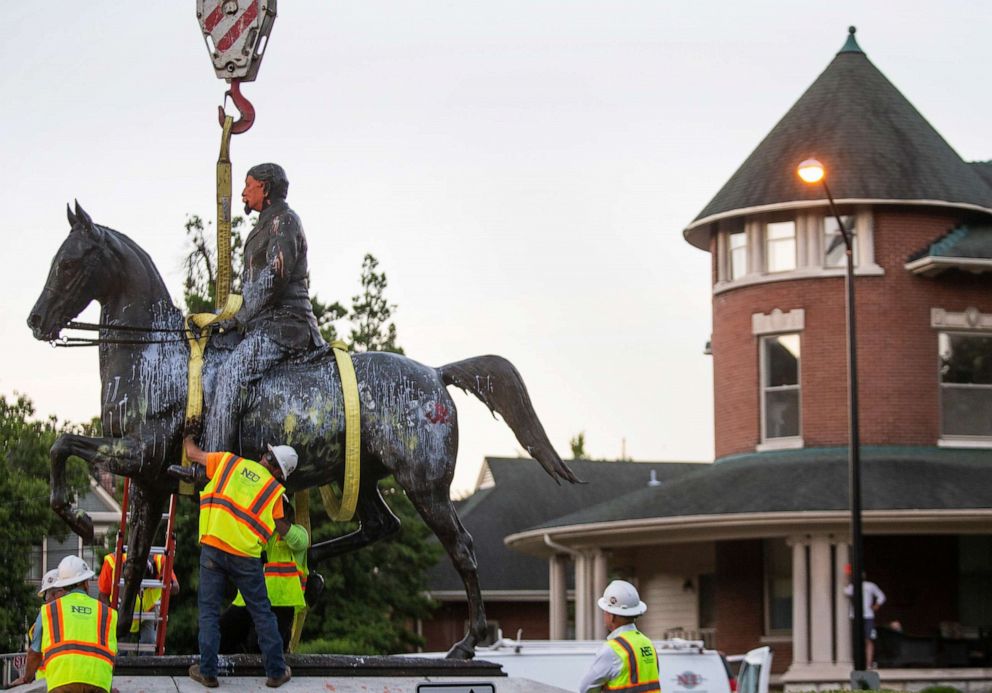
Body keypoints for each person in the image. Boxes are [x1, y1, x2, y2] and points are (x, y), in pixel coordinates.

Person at [202, 162, 325, 454]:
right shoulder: (263, 226)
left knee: (232, 374)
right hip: (260, 325)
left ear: (265, 188)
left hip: (284, 326)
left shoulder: (285, 220)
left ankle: (209, 463)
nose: (243, 192)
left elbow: (276, 276)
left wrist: (239, 317)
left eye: (249, 185)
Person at [181, 435, 296, 689]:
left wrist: (188, 434)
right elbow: (279, 526)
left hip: (213, 548)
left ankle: (208, 672)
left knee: (209, 612)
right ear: (279, 472)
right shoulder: (276, 492)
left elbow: (192, 453)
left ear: (266, 457)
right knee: (262, 613)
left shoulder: (229, 462)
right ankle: (276, 671)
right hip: (246, 557)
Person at [220, 496, 310, 654]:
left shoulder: (299, 533)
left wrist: (273, 515)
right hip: (247, 601)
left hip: (280, 603)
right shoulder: (256, 535)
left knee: (260, 646)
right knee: (218, 636)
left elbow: (298, 541)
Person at [38, 555, 118, 693]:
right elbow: (111, 655)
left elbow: (34, 652)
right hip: (98, 683)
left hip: (61, 682)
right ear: (86, 583)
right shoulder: (107, 612)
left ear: (61, 586)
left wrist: (26, 678)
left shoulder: (50, 610)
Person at [577, 580, 660, 693]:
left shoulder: (612, 649)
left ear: (612, 616)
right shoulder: (648, 644)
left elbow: (586, 689)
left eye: (605, 611)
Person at [97, 552, 179, 650]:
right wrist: (111, 617)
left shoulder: (160, 562)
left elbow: (176, 588)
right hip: (122, 609)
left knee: (149, 643)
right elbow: (103, 594)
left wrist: (167, 581)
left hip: (148, 610)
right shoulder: (112, 562)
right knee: (119, 648)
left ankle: (147, 664)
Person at [7, 569, 64, 688]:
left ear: (56, 593)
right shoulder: (89, 611)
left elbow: (35, 653)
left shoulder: (47, 614)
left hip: (50, 682)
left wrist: (26, 679)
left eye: (45, 596)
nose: (46, 600)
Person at [844, 568, 886, 668]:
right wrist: (847, 577)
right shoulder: (851, 587)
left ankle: (868, 663)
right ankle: (855, 661)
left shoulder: (870, 585)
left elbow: (882, 596)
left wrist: (876, 606)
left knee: (869, 639)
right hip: (855, 616)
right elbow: (845, 591)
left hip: (868, 616)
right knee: (855, 640)